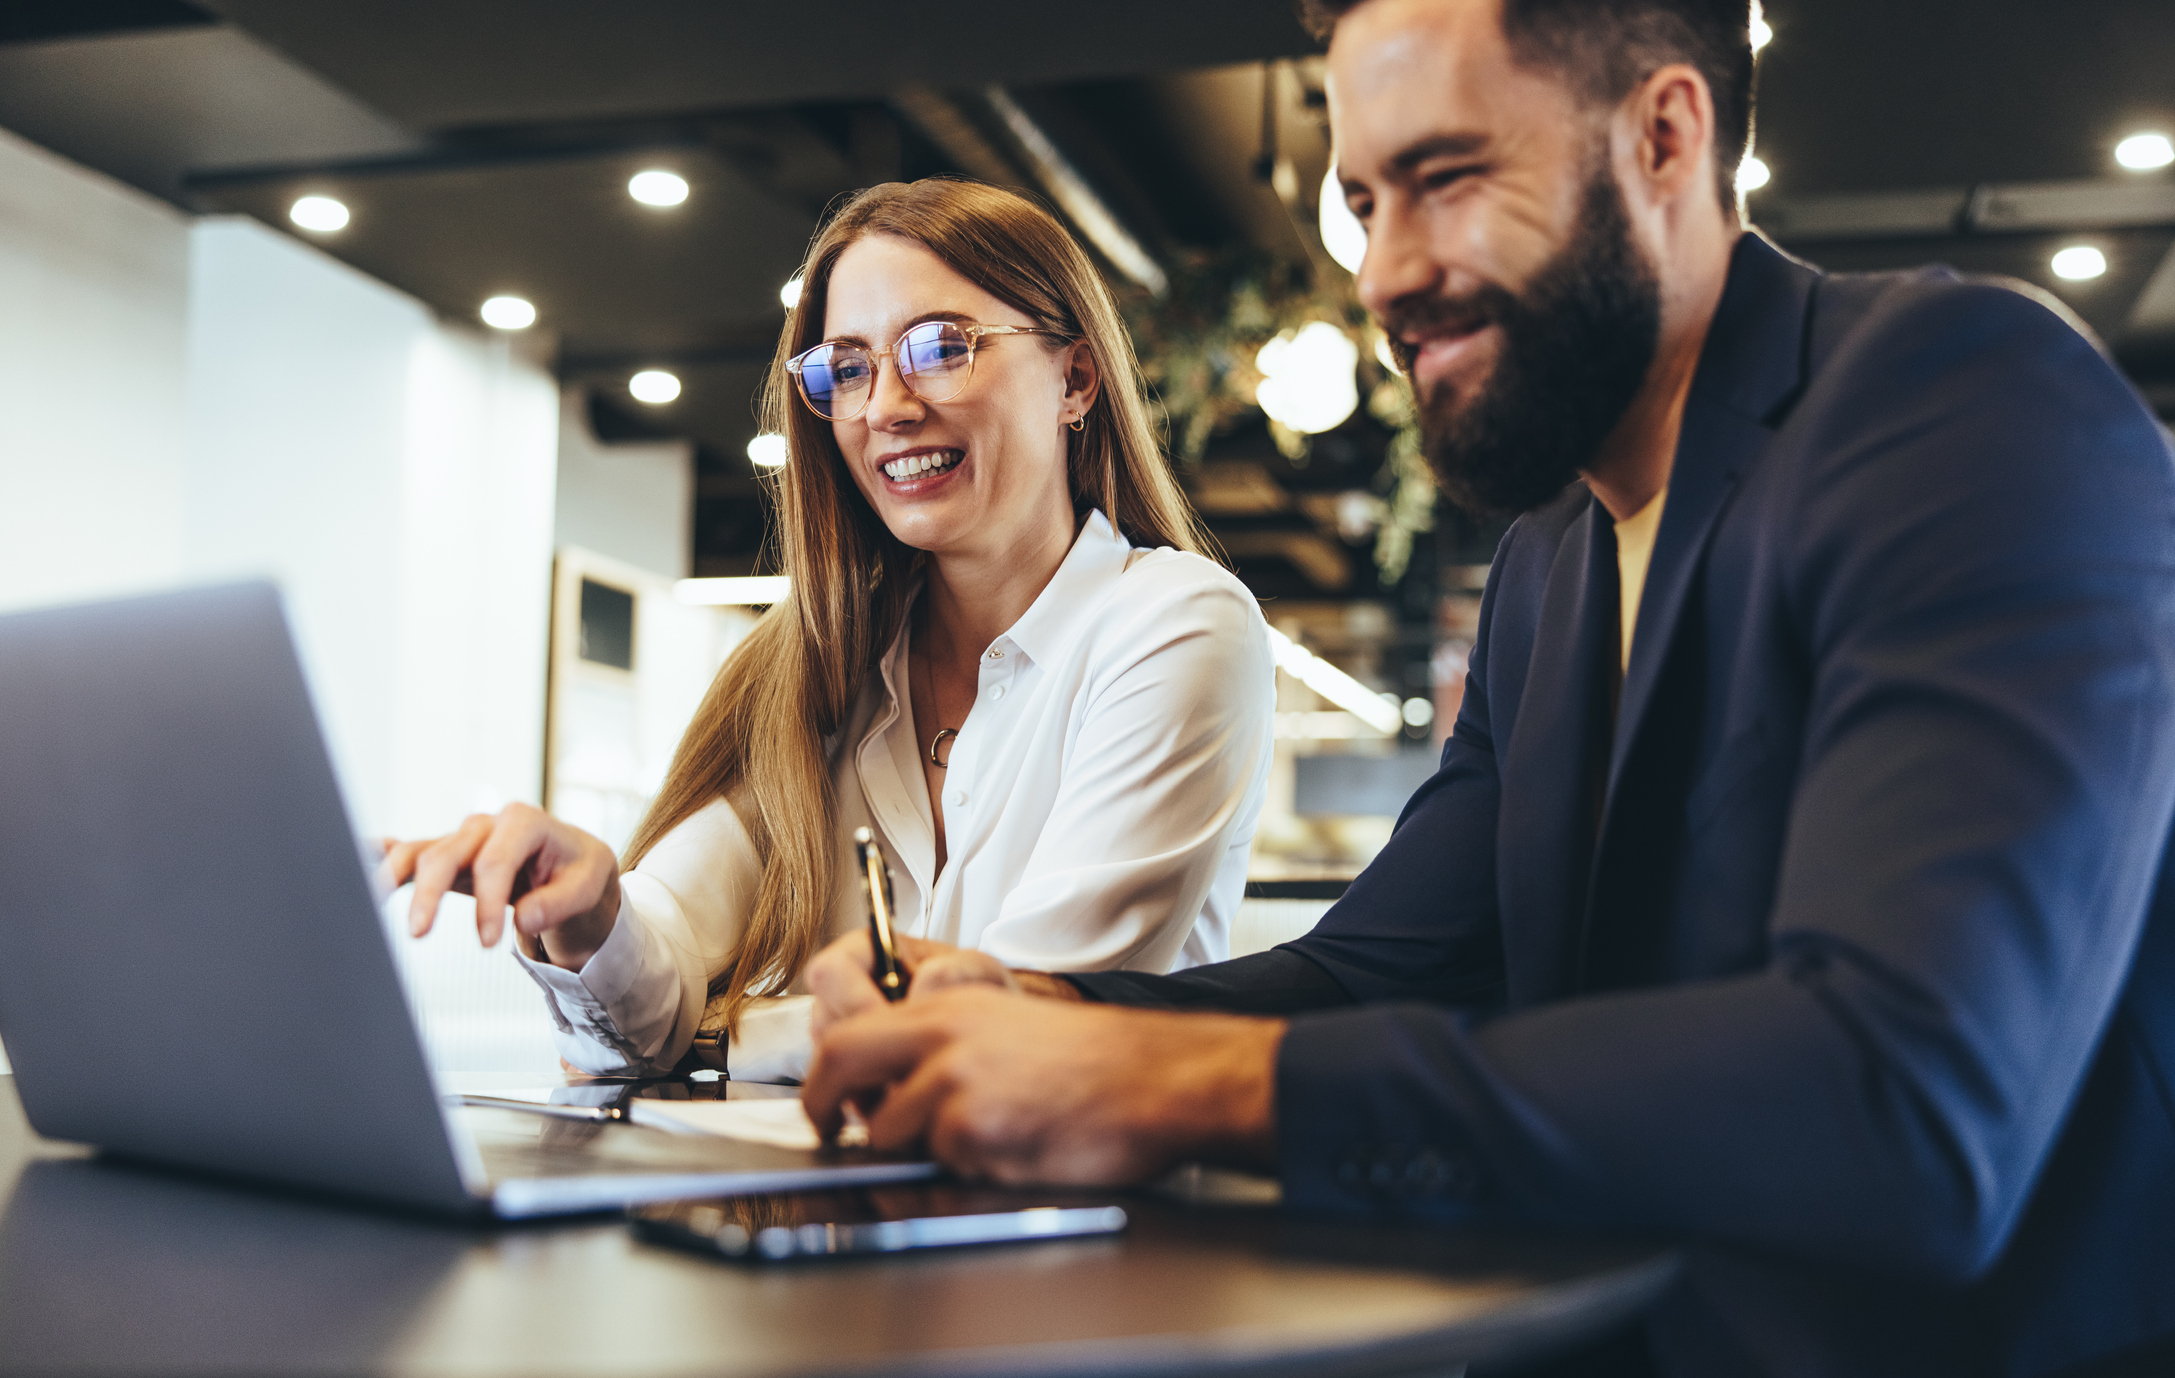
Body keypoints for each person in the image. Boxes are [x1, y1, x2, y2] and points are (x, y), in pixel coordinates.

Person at [797, 2, 2175, 1375]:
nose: (1385, 272)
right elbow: (1378, 968)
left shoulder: (1965, 405)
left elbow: (1904, 1099)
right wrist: (1042, 1008)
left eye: (1444, 179)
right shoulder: (1549, 559)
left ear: (1661, 135)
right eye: (1357, 206)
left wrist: (1187, 1085)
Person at [381, 179, 1275, 1082]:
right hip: (843, 1212)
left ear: (1074, 378)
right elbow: (655, 975)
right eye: (846, 367)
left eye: (939, 347)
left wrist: (722, 1039)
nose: (885, 405)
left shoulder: (1177, 624)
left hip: (1096, 1214)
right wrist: (591, 914)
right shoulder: (818, 665)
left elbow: (1021, 1018)